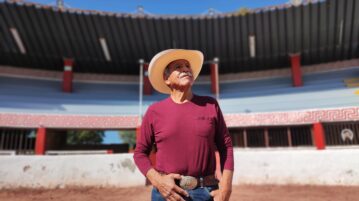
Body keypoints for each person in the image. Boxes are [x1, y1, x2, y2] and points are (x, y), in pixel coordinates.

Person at [133, 49, 234, 201]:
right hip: (167, 193)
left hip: (206, 192)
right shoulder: (154, 111)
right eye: (178, 67)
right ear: (166, 78)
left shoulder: (210, 105)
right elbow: (139, 153)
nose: (186, 69)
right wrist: (158, 182)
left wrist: (226, 188)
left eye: (187, 66)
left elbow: (226, 146)